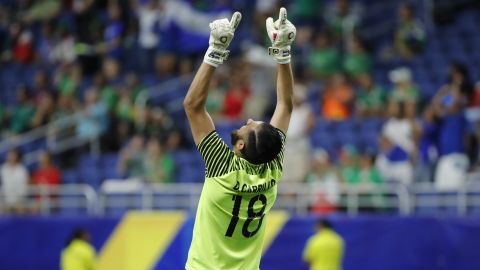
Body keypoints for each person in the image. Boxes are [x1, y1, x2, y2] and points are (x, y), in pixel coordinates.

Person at [183, 8, 296, 270]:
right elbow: (286, 106)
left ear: (241, 146)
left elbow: (192, 105)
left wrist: (215, 52)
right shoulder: (271, 168)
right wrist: (283, 53)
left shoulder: (224, 167)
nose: (248, 120)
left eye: (251, 126)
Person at [0, 149, 29, 214]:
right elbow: (2, 185)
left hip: (19, 199)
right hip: (5, 199)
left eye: (13, 155)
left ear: (16, 157)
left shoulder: (22, 169)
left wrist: (18, 199)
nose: (11, 157)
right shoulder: (3, 169)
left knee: (21, 208)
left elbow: (24, 186)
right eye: (10, 155)